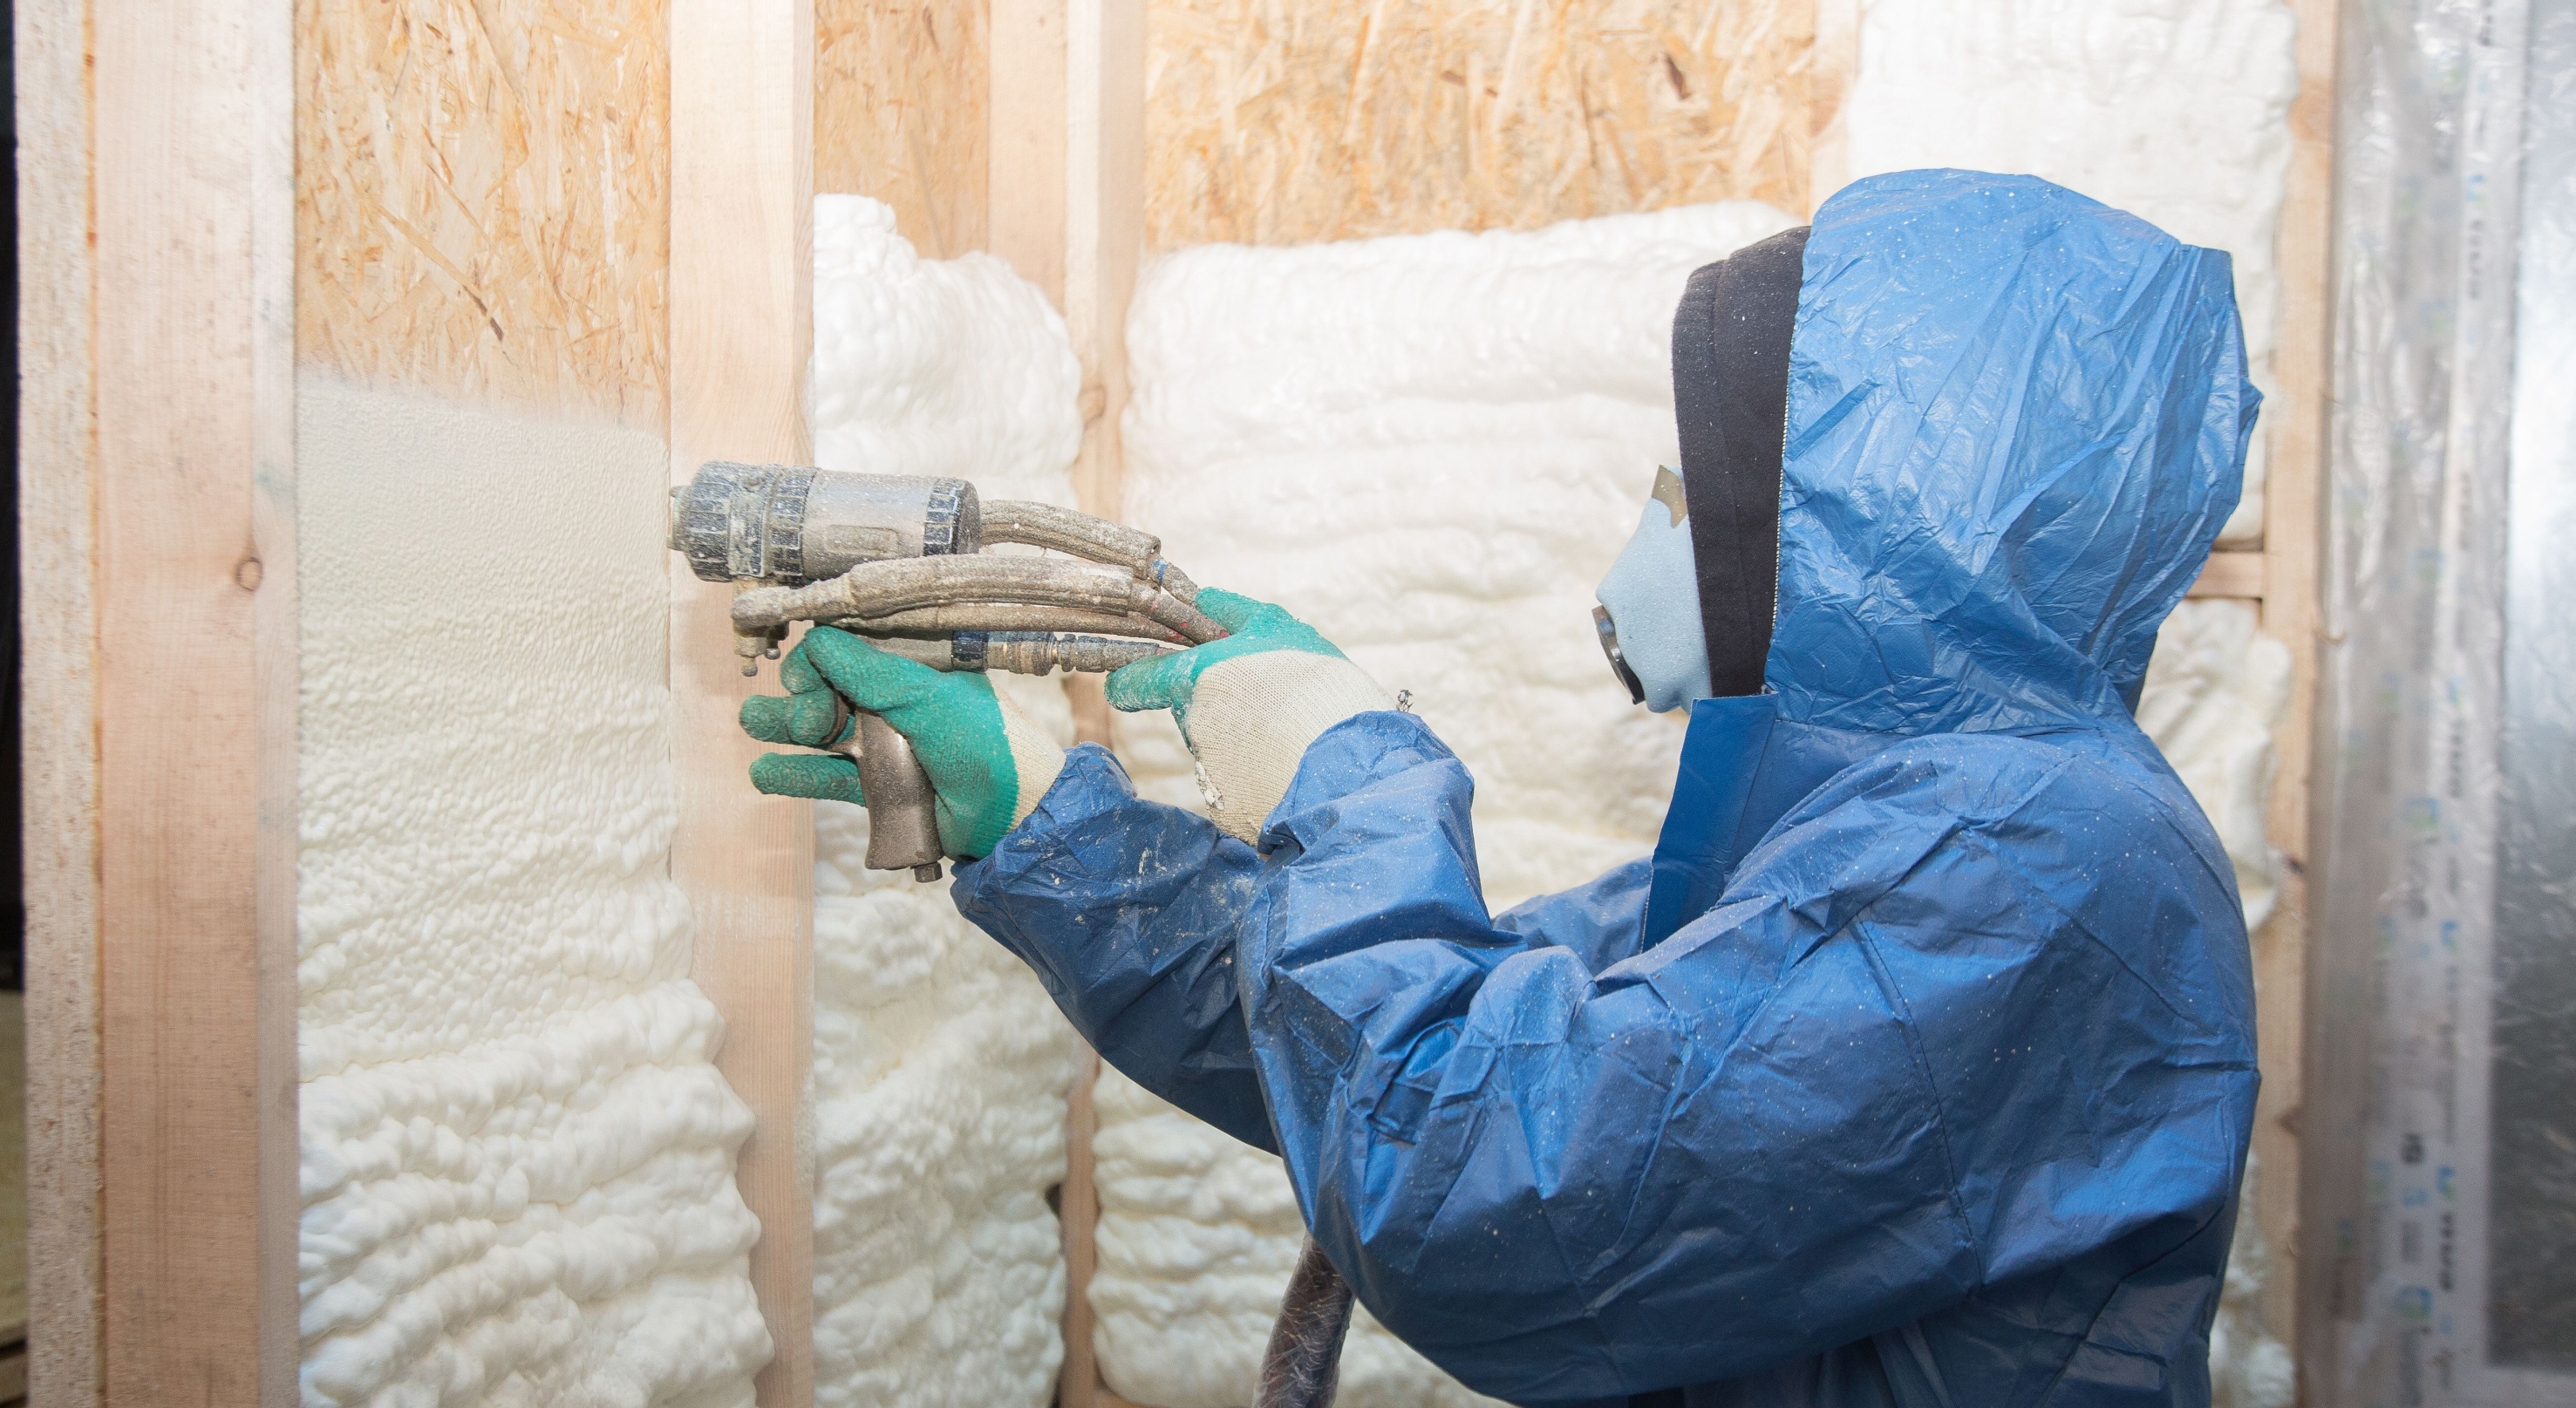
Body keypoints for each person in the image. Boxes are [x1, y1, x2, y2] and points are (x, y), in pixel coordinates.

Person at [741, 169, 2263, 1408]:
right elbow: (1414, 1043)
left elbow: (1477, 1190)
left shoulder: (2029, 865)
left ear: (1866, 527)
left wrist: (1352, 773)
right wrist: (1048, 828)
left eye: (1695, 485)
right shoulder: (1875, 839)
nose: (1663, 524)